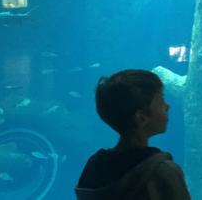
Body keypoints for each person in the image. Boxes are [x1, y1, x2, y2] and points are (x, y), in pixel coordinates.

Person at [75, 69, 190, 200]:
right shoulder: (162, 171)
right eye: (161, 100)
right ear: (141, 118)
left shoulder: (93, 166)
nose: (167, 105)